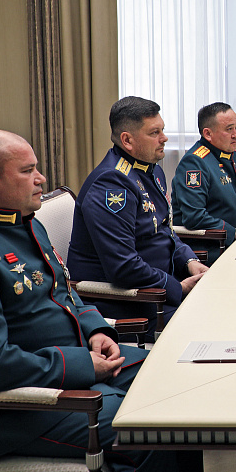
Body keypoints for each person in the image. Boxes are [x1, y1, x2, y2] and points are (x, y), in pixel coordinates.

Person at [0, 130, 182, 472]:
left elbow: (64, 292)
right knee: (151, 426)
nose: (41, 178)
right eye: (27, 170)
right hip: (16, 409)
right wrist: (83, 366)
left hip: (70, 364)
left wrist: (95, 330)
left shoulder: (25, 223)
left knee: (173, 381)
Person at [68, 96, 207, 329]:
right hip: (132, 302)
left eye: (162, 130)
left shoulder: (150, 171)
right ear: (127, 140)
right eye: (154, 133)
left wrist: (189, 260)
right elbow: (124, 267)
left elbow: (164, 229)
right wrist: (177, 288)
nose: (164, 138)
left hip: (159, 290)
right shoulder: (112, 185)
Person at [172, 102, 236, 262]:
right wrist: (235, 232)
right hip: (209, 247)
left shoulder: (230, 155)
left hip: (231, 242)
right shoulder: (194, 163)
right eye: (229, 129)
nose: (235, 135)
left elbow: (235, 200)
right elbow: (194, 217)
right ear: (208, 134)